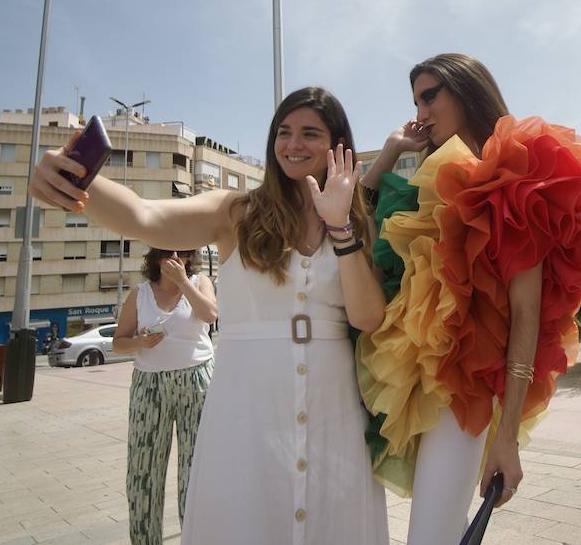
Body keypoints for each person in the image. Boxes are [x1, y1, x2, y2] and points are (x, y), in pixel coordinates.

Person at [31, 87, 389, 544]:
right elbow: (145, 217)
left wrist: (340, 226)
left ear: (337, 145)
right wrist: (79, 179)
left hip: (333, 402)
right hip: (246, 402)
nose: (293, 144)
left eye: (309, 133)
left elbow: (368, 318)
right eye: (283, 132)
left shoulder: (358, 222)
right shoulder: (236, 211)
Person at [358, 53, 581, 545]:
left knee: (431, 538)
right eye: (414, 100)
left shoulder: (515, 174)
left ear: (466, 90)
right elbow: (344, 233)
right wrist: (388, 152)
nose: (421, 111)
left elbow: (526, 317)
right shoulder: (429, 180)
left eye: (431, 95)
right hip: (405, 380)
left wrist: (507, 438)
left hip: (464, 390)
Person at [113, 248, 217, 545]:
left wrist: (184, 282)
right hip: (150, 384)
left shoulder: (199, 282)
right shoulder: (140, 294)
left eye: (181, 253)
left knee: (195, 473)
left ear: (188, 258)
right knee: (143, 472)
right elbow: (118, 342)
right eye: (167, 253)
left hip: (197, 380)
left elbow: (210, 314)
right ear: (155, 258)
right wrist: (140, 341)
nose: (174, 258)